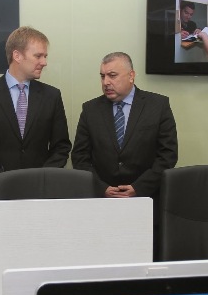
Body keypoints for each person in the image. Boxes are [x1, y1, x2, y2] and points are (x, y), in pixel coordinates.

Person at [0, 26, 72, 201]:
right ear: (17, 56)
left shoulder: (52, 96)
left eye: (45, 56)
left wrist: (42, 179)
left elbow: (61, 146)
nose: (44, 62)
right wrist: (0, 180)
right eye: (38, 56)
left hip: (40, 195)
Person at [71, 51, 178, 201]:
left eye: (112, 75)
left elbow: (168, 155)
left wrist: (139, 188)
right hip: (102, 199)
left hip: (146, 198)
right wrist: (101, 188)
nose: (106, 82)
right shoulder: (90, 110)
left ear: (131, 76)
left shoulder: (158, 106)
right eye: (102, 76)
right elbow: (80, 156)